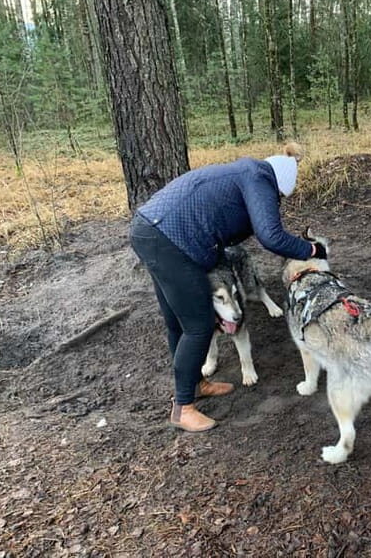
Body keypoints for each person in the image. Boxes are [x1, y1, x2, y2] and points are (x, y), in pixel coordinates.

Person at [129, 143, 327, 433]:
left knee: (177, 321)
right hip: (170, 240)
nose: (277, 202)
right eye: (280, 198)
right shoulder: (259, 180)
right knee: (198, 325)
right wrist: (311, 250)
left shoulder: (245, 172)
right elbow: (271, 236)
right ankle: (183, 409)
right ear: (279, 185)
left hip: (150, 230)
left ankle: (195, 384)